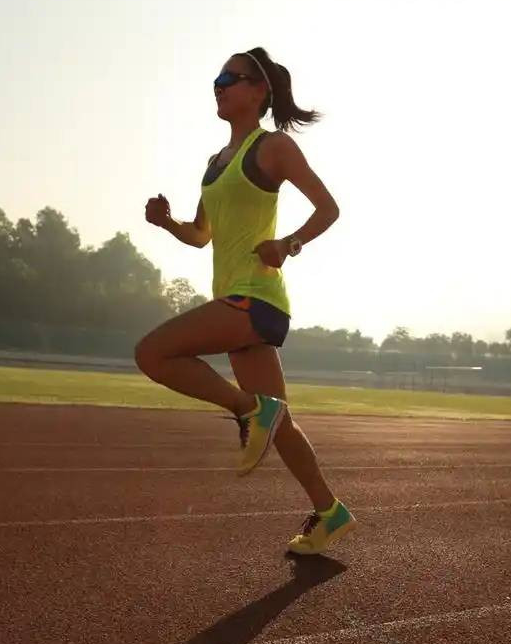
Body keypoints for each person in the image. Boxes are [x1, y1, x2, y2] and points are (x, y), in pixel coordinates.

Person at [136, 47, 355, 555]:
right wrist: (167, 223)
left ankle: (245, 409)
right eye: (215, 78)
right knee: (282, 422)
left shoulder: (272, 147)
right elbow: (201, 235)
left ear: (258, 91)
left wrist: (288, 245)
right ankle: (330, 512)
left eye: (229, 78)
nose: (218, 85)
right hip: (236, 303)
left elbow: (328, 208)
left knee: (152, 353)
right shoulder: (215, 164)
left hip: (256, 299)